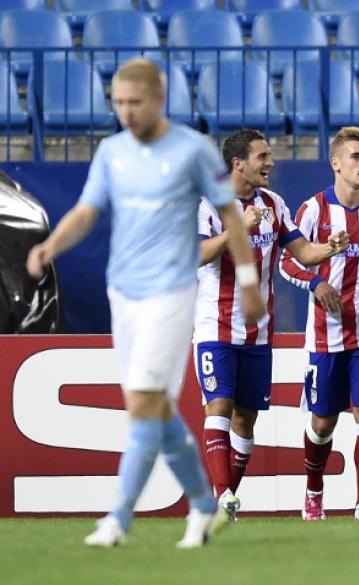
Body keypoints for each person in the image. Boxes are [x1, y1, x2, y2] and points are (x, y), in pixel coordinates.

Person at [25, 58, 264, 548]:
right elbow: (88, 210)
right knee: (152, 407)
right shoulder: (113, 153)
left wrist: (246, 280)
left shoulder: (193, 151)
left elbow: (232, 216)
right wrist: (51, 246)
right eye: (118, 103)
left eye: (135, 102)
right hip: (124, 292)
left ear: (158, 99)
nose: (126, 112)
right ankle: (202, 505)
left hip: (172, 292)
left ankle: (118, 519)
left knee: (142, 406)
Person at [194, 129, 349, 521]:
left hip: (259, 332)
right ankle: (223, 494)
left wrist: (331, 246)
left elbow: (303, 252)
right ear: (238, 163)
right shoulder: (208, 204)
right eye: (262, 156)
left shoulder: (273, 204)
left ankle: (225, 501)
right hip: (216, 326)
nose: (271, 163)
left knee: (246, 420)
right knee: (220, 405)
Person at [279, 127, 359, 522]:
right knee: (323, 421)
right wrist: (315, 282)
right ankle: (313, 491)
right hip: (325, 337)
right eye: (356, 157)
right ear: (336, 163)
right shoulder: (314, 210)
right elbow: (287, 260)